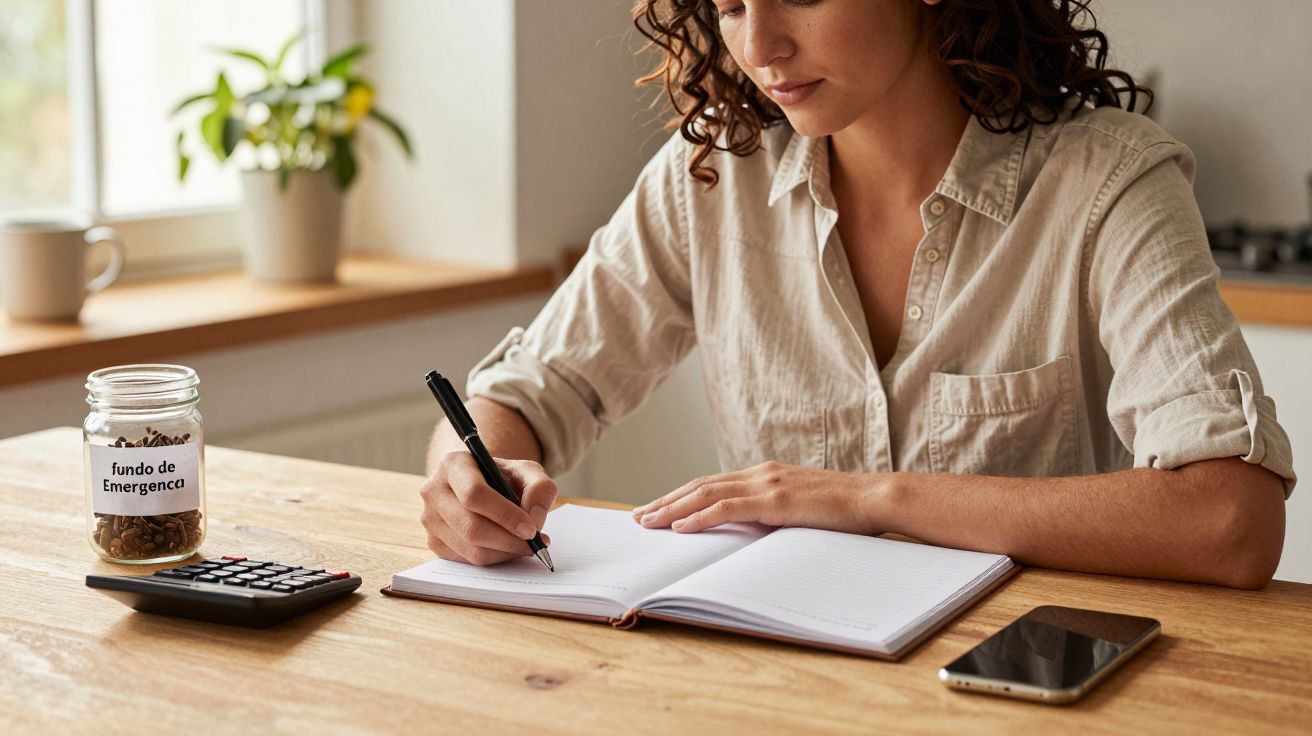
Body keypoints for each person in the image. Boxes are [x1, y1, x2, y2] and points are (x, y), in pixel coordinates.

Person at [419, 0, 1295, 589]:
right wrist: (472, 480)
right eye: (728, 6)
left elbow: (1229, 518)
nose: (759, 47)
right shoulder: (712, 180)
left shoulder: (1107, 181)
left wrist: (872, 498)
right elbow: (528, 394)